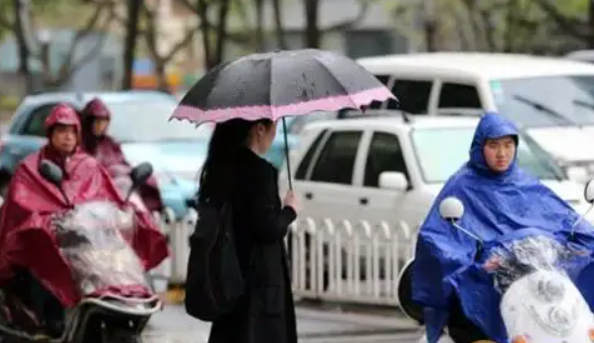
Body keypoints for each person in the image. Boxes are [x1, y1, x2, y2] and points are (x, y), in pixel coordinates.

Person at [412, 112, 594, 343]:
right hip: (488, 287)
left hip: (538, 284)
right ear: (480, 146)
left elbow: (564, 222)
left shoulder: (526, 184)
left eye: (508, 145)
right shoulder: (462, 186)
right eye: (494, 145)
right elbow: (439, 238)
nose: (502, 154)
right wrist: (474, 262)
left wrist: (577, 247)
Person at [0, 103, 169, 337]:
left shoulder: (90, 166)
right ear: (51, 133)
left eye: (72, 131)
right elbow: (22, 209)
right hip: (48, 247)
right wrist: (44, 223)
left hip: (86, 247)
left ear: (79, 133)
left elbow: (109, 200)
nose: (67, 137)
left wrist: (125, 213)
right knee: (44, 263)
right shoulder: (30, 168)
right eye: (61, 131)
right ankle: (49, 326)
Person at [198, 118, 299, 343]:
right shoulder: (260, 173)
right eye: (273, 127)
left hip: (227, 278)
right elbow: (267, 228)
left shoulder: (218, 168)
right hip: (259, 283)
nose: (274, 134)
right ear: (259, 129)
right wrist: (289, 210)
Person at [80, 98, 164, 213]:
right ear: (88, 121)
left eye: (104, 121)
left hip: (120, 198)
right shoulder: (79, 145)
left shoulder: (110, 144)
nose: (101, 125)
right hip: (92, 202)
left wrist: (129, 172)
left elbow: (122, 164)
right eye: (97, 121)